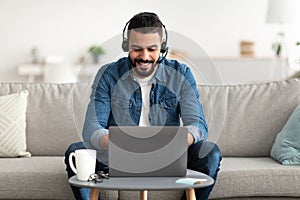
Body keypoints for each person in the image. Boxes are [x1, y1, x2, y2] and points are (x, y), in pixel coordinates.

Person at [65, 12, 222, 200]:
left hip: (169, 157)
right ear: (126, 46)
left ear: (162, 47)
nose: (145, 56)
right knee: (75, 151)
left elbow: (198, 125)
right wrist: (119, 145)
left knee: (211, 154)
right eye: (137, 49)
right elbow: (92, 126)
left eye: (152, 49)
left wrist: (176, 143)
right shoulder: (108, 74)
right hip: (116, 157)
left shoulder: (181, 73)